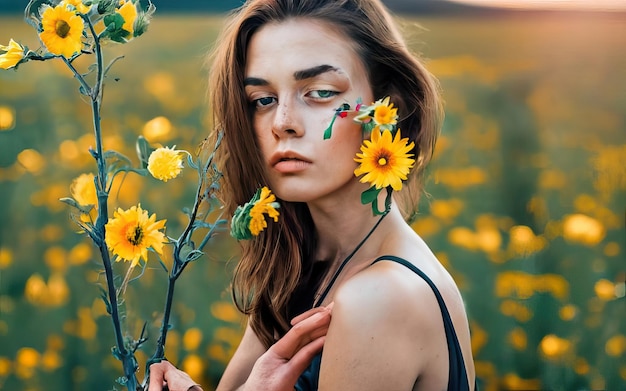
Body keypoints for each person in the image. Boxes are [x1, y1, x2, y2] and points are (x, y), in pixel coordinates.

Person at [149, 0, 476, 390]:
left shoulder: (380, 299)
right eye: (263, 100)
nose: (283, 123)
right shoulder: (302, 265)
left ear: (391, 109)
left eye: (319, 92)